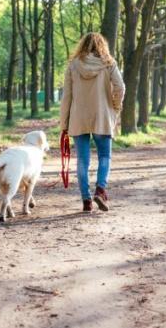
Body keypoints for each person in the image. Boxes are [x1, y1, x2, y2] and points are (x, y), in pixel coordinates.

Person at [60, 32, 126, 212]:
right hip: (102, 116)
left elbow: (67, 97)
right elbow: (120, 87)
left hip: (78, 118)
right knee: (105, 156)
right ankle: (100, 189)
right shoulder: (108, 64)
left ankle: (86, 201)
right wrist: (115, 107)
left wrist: (64, 124)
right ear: (102, 45)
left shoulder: (73, 66)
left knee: (82, 160)